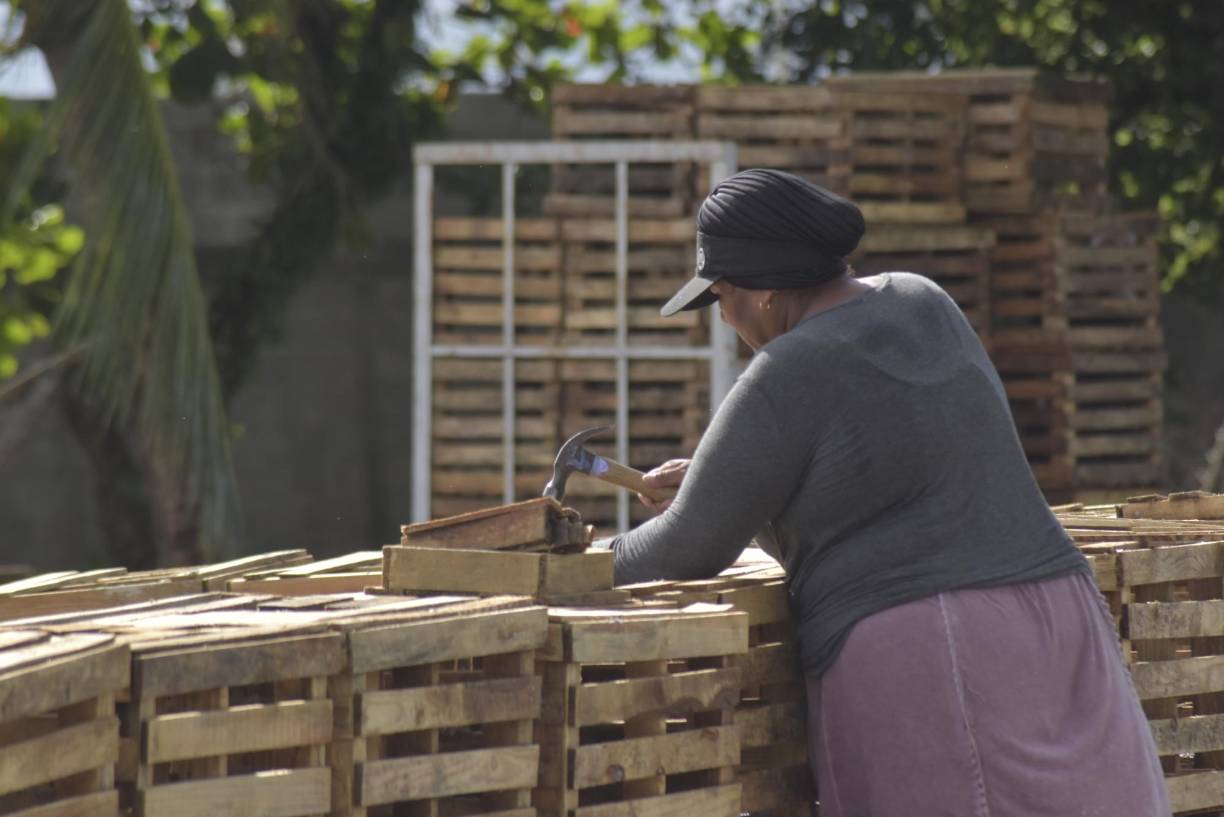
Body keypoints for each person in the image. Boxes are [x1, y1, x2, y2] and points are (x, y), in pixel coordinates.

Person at [603, 168, 1171, 817]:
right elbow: (881, 488)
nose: (727, 319)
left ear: (759, 294)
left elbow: (686, 547)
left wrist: (572, 563)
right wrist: (733, 485)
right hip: (1059, 621)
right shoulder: (923, 301)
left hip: (931, 650)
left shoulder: (787, 371)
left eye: (722, 297)